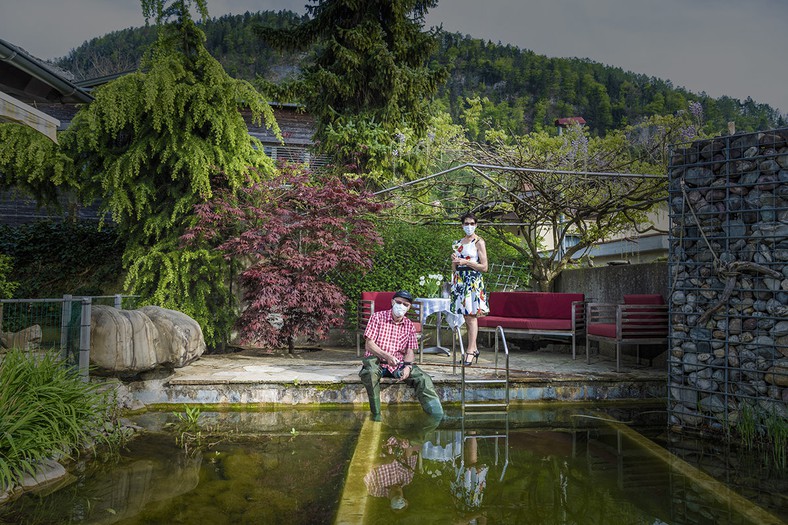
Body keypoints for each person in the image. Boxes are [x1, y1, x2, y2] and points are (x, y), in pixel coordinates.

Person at [359, 290, 444, 420]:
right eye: (398, 302)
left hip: (398, 364)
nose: (401, 306)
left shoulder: (409, 325)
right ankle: (376, 414)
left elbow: (410, 351)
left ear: (409, 307)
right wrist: (386, 356)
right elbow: (369, 344)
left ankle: (437, 416)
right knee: (370, 374)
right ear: (392, 302)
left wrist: (407, 367)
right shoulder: (377, 317)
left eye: (405, 304)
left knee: (423, 378)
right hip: (377, 361)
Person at [450, 213, 489, 366]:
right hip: (460, 280)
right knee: (466, 317)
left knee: (472, 317)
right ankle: (472, 349)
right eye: (466, 223)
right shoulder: (457, 243)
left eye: (472, 223)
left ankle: (471, 350)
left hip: (472, 281)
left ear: (476, 225)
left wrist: (465, 262)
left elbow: (484, 267)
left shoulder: (479, 242)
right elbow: (454, 268)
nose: (469, 226)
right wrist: (455, 260)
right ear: (462, 225)